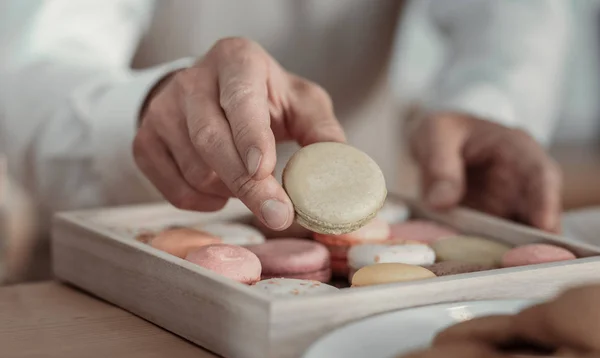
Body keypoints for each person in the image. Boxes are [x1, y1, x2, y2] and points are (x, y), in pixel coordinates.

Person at [0, 0, 567, 236]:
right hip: (133, 223)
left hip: (373, 216)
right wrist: (148, 105)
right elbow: (30, 59)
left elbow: (512, 13)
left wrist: (492, 102)